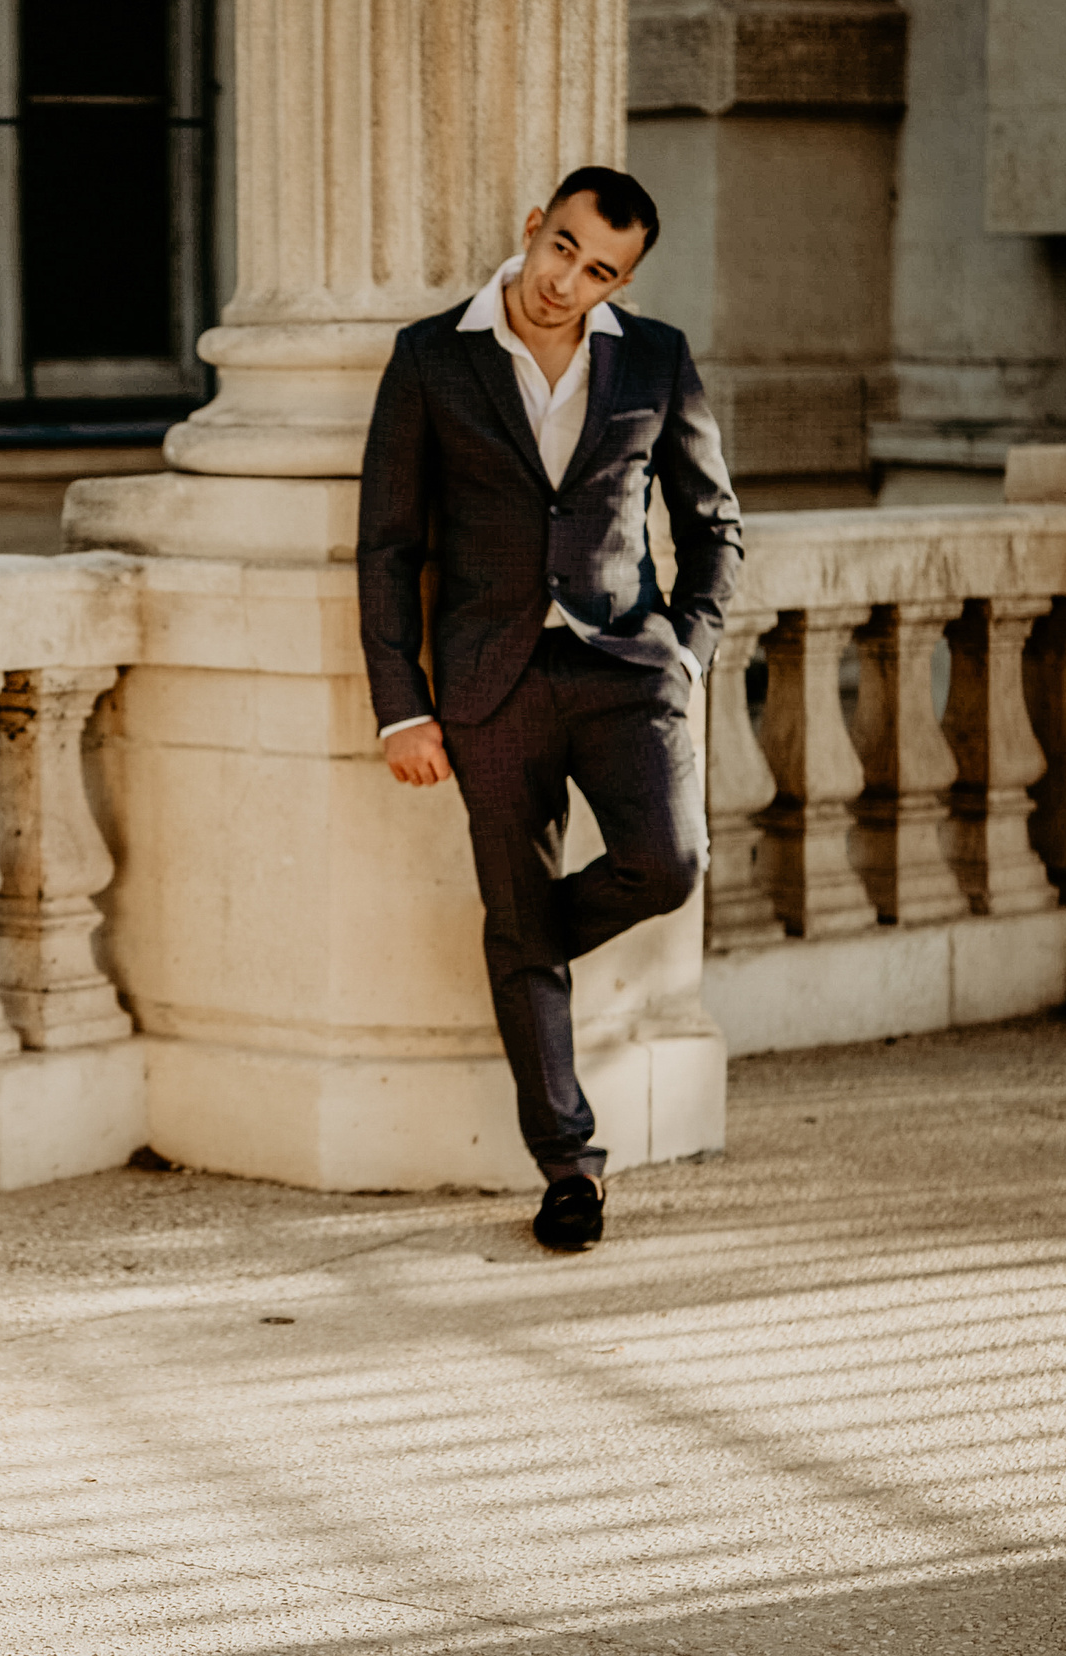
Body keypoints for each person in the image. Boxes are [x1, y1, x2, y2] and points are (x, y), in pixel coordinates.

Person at [356, 166, 742, 1254]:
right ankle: (567, 1164)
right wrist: (402, 707)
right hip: (492, 682)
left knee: (666, 865)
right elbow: (387, 546)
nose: (567, 281)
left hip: (627, 671)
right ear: (534, 228)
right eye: (561, 248)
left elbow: (713, 522)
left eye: (599, 269)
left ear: (623, 278)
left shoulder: (655, 357)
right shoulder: (431, 356)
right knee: (519, 903)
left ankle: (523, 947)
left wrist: (690, 654)